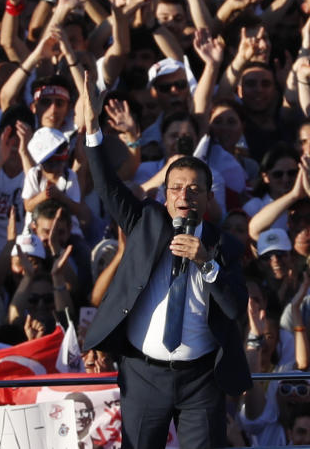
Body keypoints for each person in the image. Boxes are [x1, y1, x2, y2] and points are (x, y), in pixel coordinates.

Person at [81, 71, 250, 448]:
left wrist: (207, 262)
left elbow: (236, 307)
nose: (184, 195)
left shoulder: (225, 246)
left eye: (194, 189)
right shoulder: (146, 221)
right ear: (164, 194)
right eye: (175, 188)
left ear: (208, 197)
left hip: (201, 378)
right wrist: (92, 128)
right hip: (143, 374)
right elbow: (108, 188)